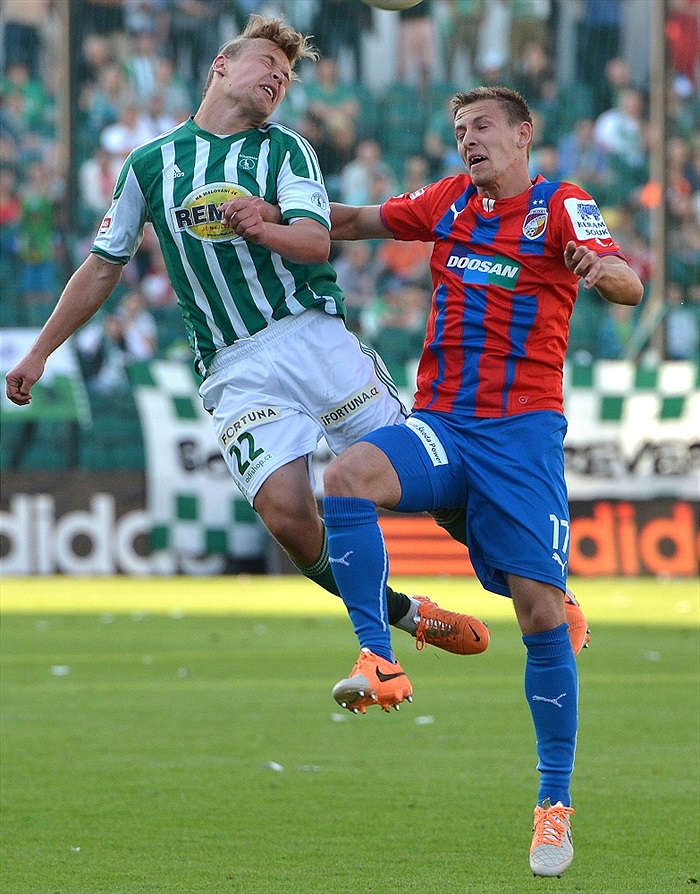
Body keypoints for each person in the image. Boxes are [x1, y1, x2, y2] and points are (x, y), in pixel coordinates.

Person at [5, 15, 489, 661]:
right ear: (221, 67)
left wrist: (262, 227)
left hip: (311, 336)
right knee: (288, 518)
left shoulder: (285, 149)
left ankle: (540, 584)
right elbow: (102, 264)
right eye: (266, 63)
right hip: (232, 365)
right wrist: (39, 352)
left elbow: (316, 241)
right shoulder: (150, 165)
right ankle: (405, 615)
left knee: (432, 489)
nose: (277, 78)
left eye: (286, 76)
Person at [318, 86, 643, 877]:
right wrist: (267, 219)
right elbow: (357, 221)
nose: (469, 140)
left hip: (521, 436)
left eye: (484, 127)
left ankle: (553, 806)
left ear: (524, 133)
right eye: (461, 129)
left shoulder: (562, 204)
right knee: (348, 477)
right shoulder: (449, 202)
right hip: (444, 424)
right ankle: (376, 657)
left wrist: (600, 269)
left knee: (535, 610)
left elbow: (629, 282)